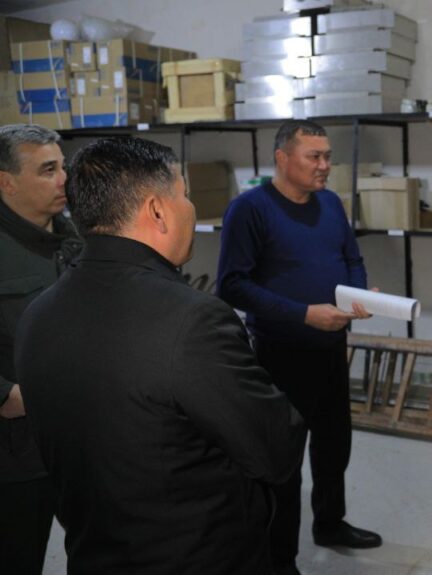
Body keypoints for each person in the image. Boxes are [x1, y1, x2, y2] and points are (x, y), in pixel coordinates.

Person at [13, 136, 305, 574]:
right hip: (199, 557)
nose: (190, 208)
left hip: (95, 553)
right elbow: (273, 449)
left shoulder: (39, 313)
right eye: (184, 195)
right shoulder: (193, 320)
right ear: (157, 210)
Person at [217, 119, 379, 575]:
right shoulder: (250, 210)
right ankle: (280, 557)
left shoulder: (330, 203)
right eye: (314, 156)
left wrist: (357, 297)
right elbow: (231, 285)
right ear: (283, 158)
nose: (325, 165)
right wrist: (304, 314)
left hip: (331, 347)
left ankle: (330, 523)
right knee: (282, 461)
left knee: (333, 445)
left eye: (328, 156)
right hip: (279, 353)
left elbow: (352, 258)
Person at [0, 124, 82, 574]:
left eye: (62, 168)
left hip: (83, 443)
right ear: (6, 182)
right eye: (48, 170)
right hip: (15, 458)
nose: (64, 180)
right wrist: (6, 396)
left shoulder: (77, 240)